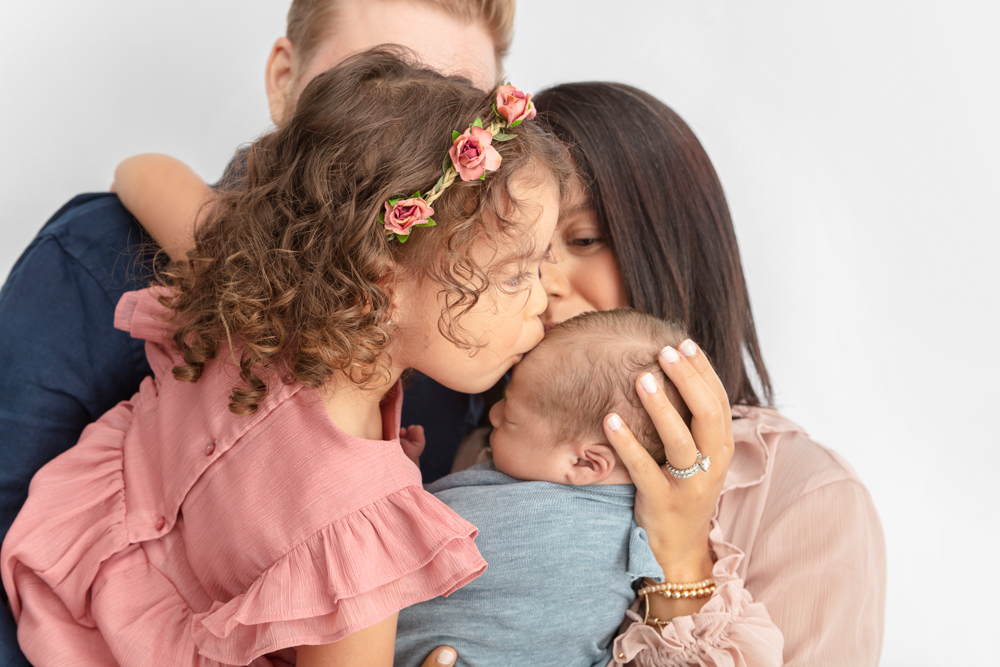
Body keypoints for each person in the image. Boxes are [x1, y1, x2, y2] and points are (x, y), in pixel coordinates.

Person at [1, 51, 569, 667]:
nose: (544, 298)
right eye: (516, 275)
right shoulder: (362, 527)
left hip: (57, 559)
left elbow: (140, 170)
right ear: (384, 281)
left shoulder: (245, 292)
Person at [531, 82, 886, 666]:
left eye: (584, 239)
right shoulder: (485, 445)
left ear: (672, 247)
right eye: (519, 248)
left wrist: (680, 553)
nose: (541, 281)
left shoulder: (809, 500)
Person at [395, 309, 726, 667]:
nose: (494, 415)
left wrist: (399, 481)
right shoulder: (635, 528)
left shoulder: (521, 513)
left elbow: (397, 542)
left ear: (585, 463)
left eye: (509, 418)